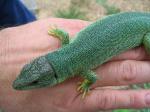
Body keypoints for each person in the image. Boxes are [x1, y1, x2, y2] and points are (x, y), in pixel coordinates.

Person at [0, 1, 150, 112]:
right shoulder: (67, 48)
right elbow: (64, 35)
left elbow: (93, 78)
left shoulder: (81, 70)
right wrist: (57, 32)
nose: (20, 84)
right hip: (138, 20)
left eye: (35, 82)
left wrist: (86, 85)